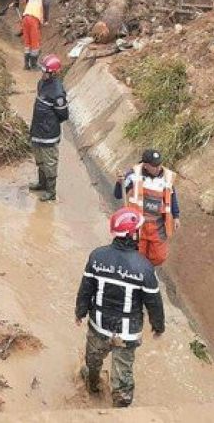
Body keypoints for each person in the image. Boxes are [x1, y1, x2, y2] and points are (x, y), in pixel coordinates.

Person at [75, 207, 165, 407]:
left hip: (98, 326)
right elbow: (154, 303)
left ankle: (93, 384)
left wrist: (79, 312)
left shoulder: (97, 256)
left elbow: (85, 289)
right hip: (127, 333)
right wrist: (158, 326)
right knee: (123, 372)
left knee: (92, 361)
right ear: (133, 234)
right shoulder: (144, 267)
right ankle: (121, 407)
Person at [115, 149, 180, 266]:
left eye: (159, 164)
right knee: (137, 254)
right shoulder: (133, 175)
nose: (158, 167)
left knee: (159, 256)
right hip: (138, 225)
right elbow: (118, 194)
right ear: (145, 165)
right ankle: (138, 273)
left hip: (158, 225)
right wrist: (120, 183)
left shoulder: (167, 177)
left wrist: (176, 216)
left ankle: (147, 271)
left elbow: (172, 196)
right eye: (154, 165)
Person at [28, 54, 68, 201]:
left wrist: (48, 125)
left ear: (53, 73)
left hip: (49, 134)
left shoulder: (57, 93)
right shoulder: (42, 84)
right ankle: (42, 183)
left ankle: (51, 192)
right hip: (37, 130)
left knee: (50, 162)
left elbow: (63, 115)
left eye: (45, 71)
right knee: (40, 159)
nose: (42, 74)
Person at [10, 0, 52, 69]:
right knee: (35, 43)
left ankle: (26, 65)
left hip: (25, 18)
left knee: (27, 43)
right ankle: (34, 65)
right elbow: (46, 3)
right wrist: (46, 19)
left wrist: (17, 3)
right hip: (33, 19)